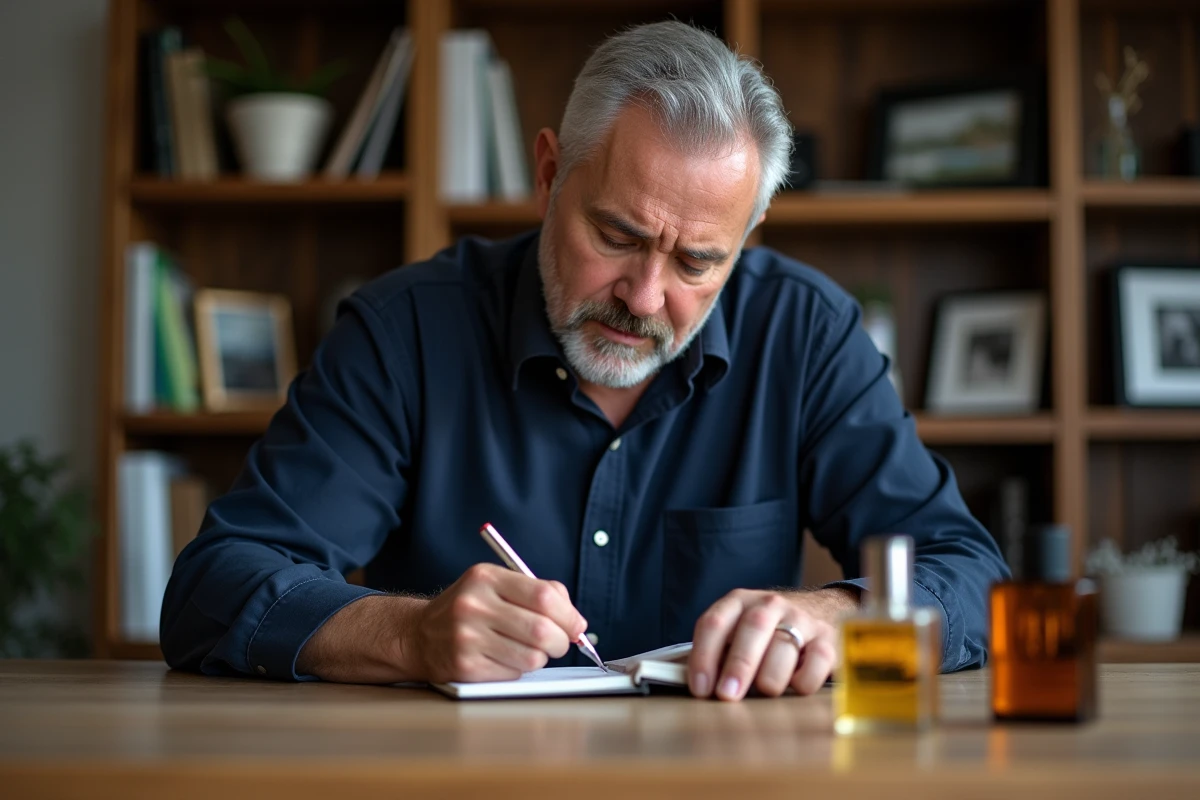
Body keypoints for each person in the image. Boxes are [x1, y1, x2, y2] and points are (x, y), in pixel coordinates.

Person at [161, 21, 1009, 701]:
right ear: (547, 175)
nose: (644, 297)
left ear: (746, 241)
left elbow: (968, 573)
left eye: (697, 262)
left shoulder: (805, 333)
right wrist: (410, 635)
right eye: (616, 236)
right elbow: (215, 588)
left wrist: (839, 615)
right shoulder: (405, 331)